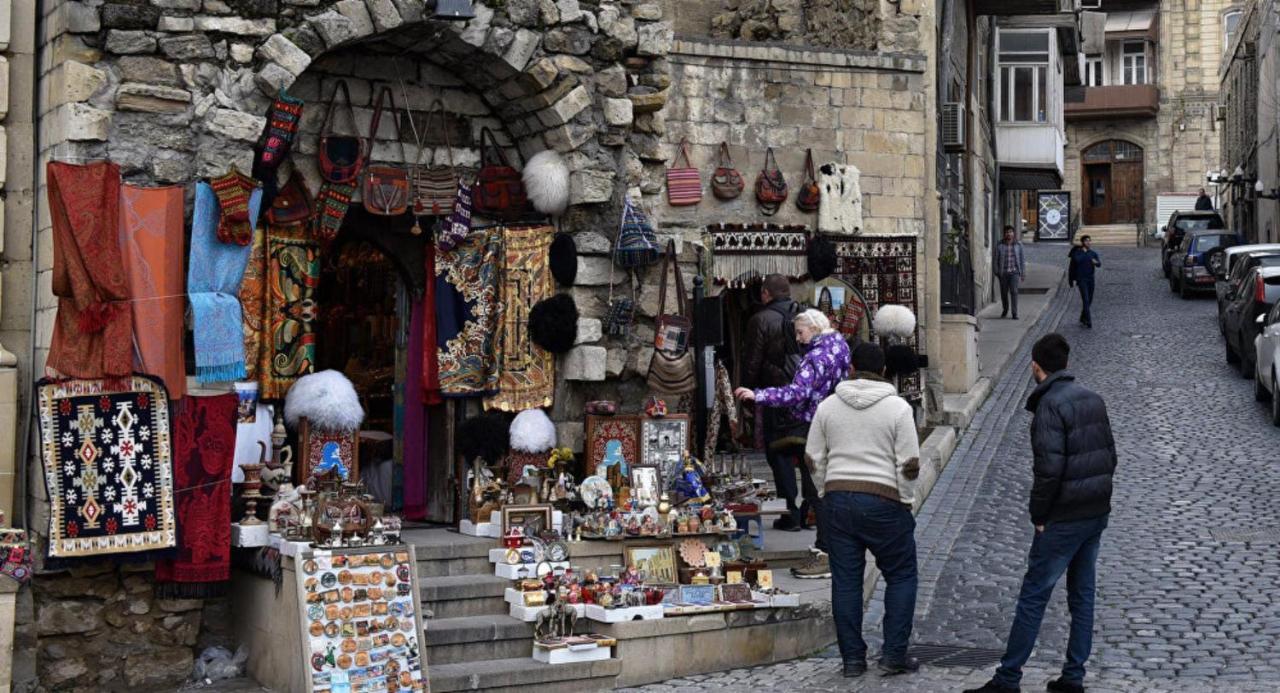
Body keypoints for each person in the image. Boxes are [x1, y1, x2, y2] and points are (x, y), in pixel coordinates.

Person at [964, 334, 1117, 693]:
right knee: (1082, 596)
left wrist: (1039, 514)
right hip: (1094, 513)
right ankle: (1073, 677)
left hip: (1063, 518)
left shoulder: (1049, 406)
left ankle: (1008, 678)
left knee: (1034, 595)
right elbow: (1110, 456)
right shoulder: (1093, 399)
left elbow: (1048, 471)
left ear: (1036, 367)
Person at [806, 342, 920, 678]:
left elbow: (813, 458)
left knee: (846, 582)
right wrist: (905, 499)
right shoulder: (898, 409)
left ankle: (852, 659)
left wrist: (827, 488)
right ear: (884, 371)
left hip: (839, 500)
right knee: (901, 575)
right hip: (885, 500)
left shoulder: (828, 407)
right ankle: (894, 654)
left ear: (851, 368)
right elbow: (910, 464)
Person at [736, 309, 851, 579]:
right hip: (827, 422)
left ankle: (826, 553)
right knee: (819, 487)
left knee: (815, 489)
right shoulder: (839, 346)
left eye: (801, 332)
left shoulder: (818, 356)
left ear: (813, 327)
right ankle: (827, 547)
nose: (798, 339)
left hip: (814, 425)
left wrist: (759, 395)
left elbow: (798, 392)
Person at [742, 274, 804, 532]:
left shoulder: (761, 320)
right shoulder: (805, 316)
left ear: (766, 294)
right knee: (805, 452)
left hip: (775, 394)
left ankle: (790, 512)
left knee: (778, 452)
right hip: (804, 395)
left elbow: (753, 361)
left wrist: (747, 392)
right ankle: (809, 512)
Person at [1068, 236, 1101, 328]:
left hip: (1091, 279)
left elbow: (1099, 264)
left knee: (1089, 300)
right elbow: (1077, 261)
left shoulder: (1093, 253)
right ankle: (1089, 321)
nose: (1089, 242)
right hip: (1081, 280)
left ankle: (1083, 317)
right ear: (1083, 242)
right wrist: (1070, 281)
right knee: (1085, 300)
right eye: (1086, 241)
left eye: (1089, 241)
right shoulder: (1077, 253)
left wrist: (1096, 263)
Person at [997, 225, 1026, 319]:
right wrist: (997, 272)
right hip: (1003, 273)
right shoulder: (999, 245)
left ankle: (1014, 313)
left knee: (1014, 291)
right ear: (1004, 234)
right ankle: (1005, 309)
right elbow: (995, 259)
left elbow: (1022, 260)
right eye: (1007, 232)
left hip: (1014, 272)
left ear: (1013, 233)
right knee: (1004, 293)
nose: (1008, 234)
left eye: (1010, 232)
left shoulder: (1018, 245)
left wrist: (1023, 273)